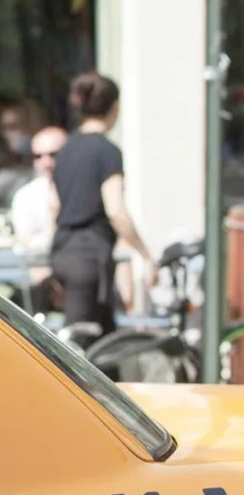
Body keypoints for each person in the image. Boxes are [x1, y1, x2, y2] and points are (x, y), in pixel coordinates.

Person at [49, 72, 155, 341]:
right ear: (114, 107)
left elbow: (53, 205)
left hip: (63, 249)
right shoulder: (107, 151)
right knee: (78, 344)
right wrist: (145, 254)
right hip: (90, 254)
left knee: (105, 339)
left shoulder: (65, 149)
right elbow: (116, 210)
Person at [11, 126, 68, 252]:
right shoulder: (25, 196)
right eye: (38, 156)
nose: (46, 163)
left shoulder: (88, 189)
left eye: (53, 154)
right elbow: (25, 244)